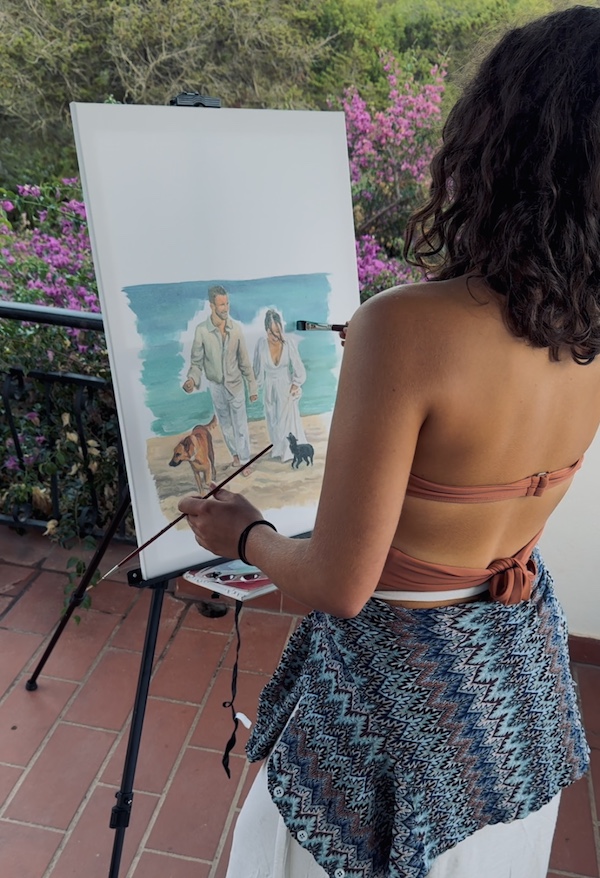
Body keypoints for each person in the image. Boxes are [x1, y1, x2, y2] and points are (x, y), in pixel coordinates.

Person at [178, 7, 598, 877]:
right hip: (512, 693)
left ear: (497, 144)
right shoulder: (584, 325)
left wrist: (243, 534)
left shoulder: (405, 325)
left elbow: (338, 585)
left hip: (395, 700)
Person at [182, 285, 258, 472]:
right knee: (225, 425)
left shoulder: (236, 329)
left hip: (236, 385)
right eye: (222, 304)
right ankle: (235, 456)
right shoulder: (202, 331)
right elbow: (196, 362)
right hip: (216, 386)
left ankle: (245, 460)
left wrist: (252, 387)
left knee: (240, 425)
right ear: (212, 305)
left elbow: (244, 362)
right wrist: (192, 380)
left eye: (227, 303)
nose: (225, 308)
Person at [253, 309, 308, 461]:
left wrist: (296, 383)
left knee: (286, 421)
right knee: (273, 420)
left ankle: (289, 452)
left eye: (278, 331)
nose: (275, 336)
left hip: (285, 385)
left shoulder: (288, 343)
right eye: (271, 332)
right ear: (266, 330)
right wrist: (254, 388)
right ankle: (278, 449)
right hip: (269, 387)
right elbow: (257, 370)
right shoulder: (261, 345)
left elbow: (298, 367)